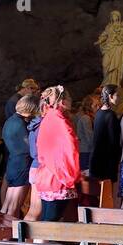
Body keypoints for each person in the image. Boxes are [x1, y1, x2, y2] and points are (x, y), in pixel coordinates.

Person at [34, 85, 81, 222]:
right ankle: (41, 243)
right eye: (69, 98)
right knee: (50, 222)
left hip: (46, 174)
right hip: (57, 178)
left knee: (47, 220)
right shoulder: (59, 120)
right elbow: (69, 149)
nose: (71, 101)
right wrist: (73, 174)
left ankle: (39, 242)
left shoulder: (49, 116)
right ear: (63, 101)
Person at [1, 93, 37, 217]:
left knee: (6, 205)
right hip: (22, 164)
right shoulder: (20, 124)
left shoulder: (9, 121)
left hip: (12, 162)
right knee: (14, 208)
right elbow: (30, 147)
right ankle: (10, 235)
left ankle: (3, 235)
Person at [89, 85, 121, 183]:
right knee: (107, 195)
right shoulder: (111, 115)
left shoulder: (98, 113)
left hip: (96, 159)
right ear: (110, 96)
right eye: (117, 95)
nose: (119, 98)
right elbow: (114, 142)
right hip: (106, 163)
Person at [74, 94, 96, 174]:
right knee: (87, 174)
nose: (97, 107)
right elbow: (90, 138)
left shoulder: (84, 117)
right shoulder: (86, 118)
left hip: (84, 150)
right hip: (86, 151)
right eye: (95, 105)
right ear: (89, 106)